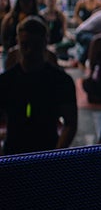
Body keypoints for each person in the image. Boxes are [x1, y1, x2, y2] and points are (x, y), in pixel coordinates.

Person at [0, 17, 77, 155]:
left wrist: (57, 153)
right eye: (25, 45)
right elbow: (70, 123)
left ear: (45, 43)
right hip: (42, 149)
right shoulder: (61, 80)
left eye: (35, 45)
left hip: (20, 151)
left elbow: (71, 123)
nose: (30, 51)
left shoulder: (7, 80)